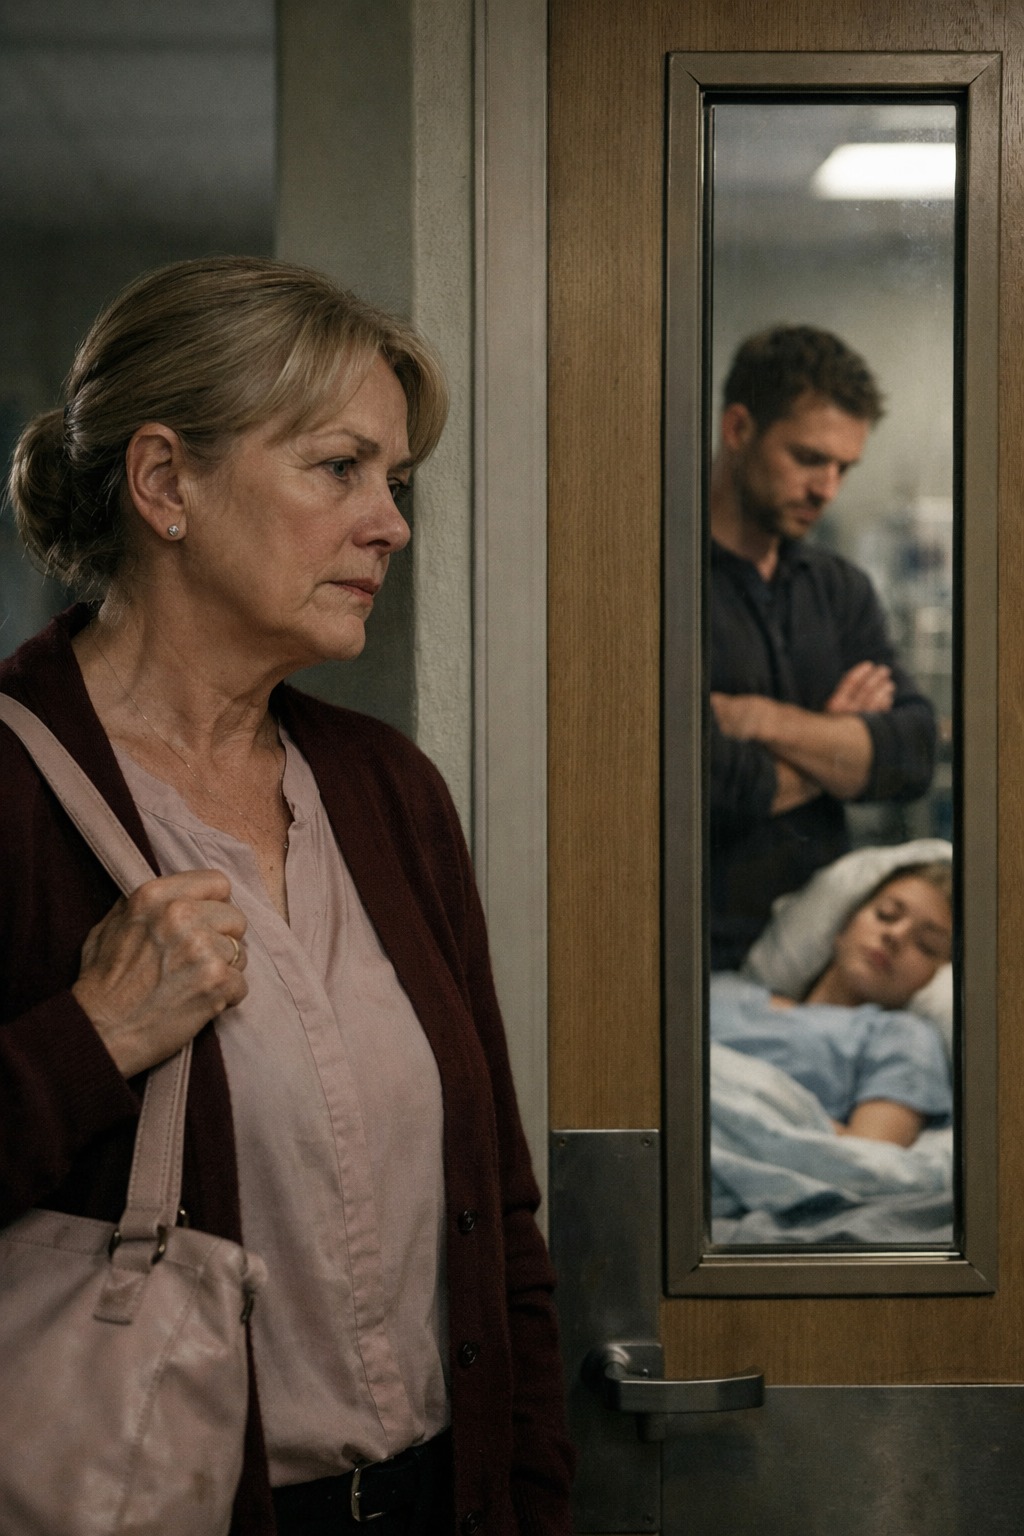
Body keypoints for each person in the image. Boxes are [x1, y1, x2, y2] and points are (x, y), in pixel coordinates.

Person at [0, 256, 574, 1535]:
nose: (390, 524)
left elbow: (501, 1223)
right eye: (338, 468)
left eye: (394, 481)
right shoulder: (13, 795)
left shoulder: (390, 793)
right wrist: (90, 1041)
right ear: (166, 483)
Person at [708, 324, 937, 970]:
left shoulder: (840, 590)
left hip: (826, 959)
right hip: (698, 960)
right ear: (738, 428)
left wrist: (763, 721)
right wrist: (838, 744)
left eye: (844, 468)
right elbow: (704, 781)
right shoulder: (663, 587)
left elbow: (912, 753)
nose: (828, 489)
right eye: (809, 458)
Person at [711, 862, 953, 1147]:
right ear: (844, 923)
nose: (895, 935)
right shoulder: (719, 991)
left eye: (925, 944)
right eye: (886, 914)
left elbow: (870, 1158)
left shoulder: (902, 1037)